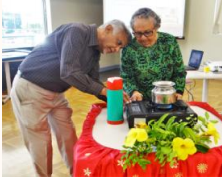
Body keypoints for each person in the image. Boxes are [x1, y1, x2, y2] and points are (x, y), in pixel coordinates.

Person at [10, 20, 131, 177]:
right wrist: (105, 90)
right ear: (108, 29)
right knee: (40, 143)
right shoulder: (77, 30)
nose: (116, 49)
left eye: (120, 48)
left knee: (69, 137)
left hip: (56, 93)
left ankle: (78, 174)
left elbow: (94, 82)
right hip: (30, 88)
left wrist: (116, 99)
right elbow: (68, 72)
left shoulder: (95, 52)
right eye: (118, 42)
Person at [120, 8, 187, 101]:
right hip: (139, 99)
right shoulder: (128, 47)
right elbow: (126, 77)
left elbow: (179, 71)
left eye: (147, 32)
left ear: (157, 27)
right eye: (138, 33)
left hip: (166, 98)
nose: (143, 38)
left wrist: (178, 91)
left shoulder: (169, 41)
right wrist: (133, 92)